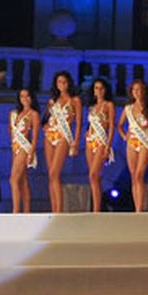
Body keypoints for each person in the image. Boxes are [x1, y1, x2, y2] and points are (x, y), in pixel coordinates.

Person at [44, 71, 82, 213]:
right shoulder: (53, 101)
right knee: (51, 175)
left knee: (55, 173)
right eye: (59, 82)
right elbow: (45, 119)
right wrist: (45, 125)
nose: (62, 85)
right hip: (50, 136)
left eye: (64, 82)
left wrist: (76, 142)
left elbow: (78, 123)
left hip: (64, 136)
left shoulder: (75, 100)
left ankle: (59, 211)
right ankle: (53, 209)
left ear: (69, 83)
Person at [118, 79, 148, 212]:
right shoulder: (128, 108)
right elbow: (120, 125)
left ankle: (140, 208)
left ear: (144, 91)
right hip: (131, 144)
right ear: (131, 92)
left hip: (145, 143)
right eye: (135, 90)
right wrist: (124, 136)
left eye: (140, 90)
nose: (137, 92)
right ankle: (136, 207)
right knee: (133, 175)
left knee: (140, 175)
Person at [85, 78, 116, 213]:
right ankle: (97, 207)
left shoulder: (109, 105)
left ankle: (97, 210)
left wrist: (108, 145)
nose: (99, 91)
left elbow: (111, 127)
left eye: (101, 88)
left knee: (93, 174)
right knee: (95, 177)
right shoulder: (92, 107)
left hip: (101, 142)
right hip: (90, 142)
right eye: (96, 88)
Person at [9, 88, 40, 213]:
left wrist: (31, 152)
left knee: (13, 179)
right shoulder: (15, 113)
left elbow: (36, 135)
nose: (25, 99)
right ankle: (27, 212)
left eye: (27, 96)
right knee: (22, 180)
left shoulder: (34, 114)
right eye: (22, 96)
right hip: (15, 147)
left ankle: (16, 211)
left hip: (25, 148)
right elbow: (11, 132)